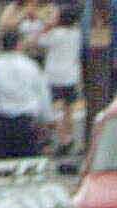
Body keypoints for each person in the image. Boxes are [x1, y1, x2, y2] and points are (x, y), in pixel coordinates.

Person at [0, 28, 52, 159]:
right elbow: (43, 96)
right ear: (19, 44)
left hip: (1, 123)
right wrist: (45, 122)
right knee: (27, 167)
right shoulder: (31, 66)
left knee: (3, 167)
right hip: (27, 124)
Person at [42, 2, 83, 148]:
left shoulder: (55, 34)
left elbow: (39, 41)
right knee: (68, 109)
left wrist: (47, 26)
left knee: (51, 109)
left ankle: (61, 138)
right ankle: (69, 135)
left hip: (53, 76)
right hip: (71, 75)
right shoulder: (77, 34)